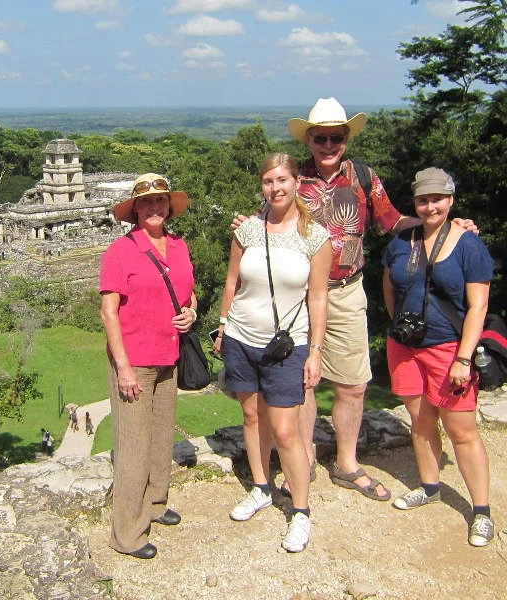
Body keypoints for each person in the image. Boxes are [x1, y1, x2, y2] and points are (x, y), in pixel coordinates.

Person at [233, 98, 476, 501]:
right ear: (309, 140)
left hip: (345, 291)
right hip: (297, 298)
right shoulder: (295, 180)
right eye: (320, 137)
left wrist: (441, 223)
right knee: (301, 384)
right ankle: (304, 457)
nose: (329, 144)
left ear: (346, 138)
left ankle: (346, 461)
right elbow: (268, 221)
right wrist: (244, 223)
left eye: (336, 137)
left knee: (352, 384)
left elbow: (393, 221)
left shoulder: (363, 177)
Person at [214, 153, 331, 552]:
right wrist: (222, 325)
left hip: (287, 344)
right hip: (242, 335)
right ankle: (262, 486)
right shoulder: (247, 229)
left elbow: (318, 297)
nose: (275, 188)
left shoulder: (315, 237)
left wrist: (316, 351)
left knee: (286, 430)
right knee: (251, 415)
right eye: (267, 181)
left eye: (282, 180)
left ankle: (301, 511)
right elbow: (231, 282)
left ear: (298, 182)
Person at [383, 167, 494, 547]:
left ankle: (481, 510)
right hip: (405, 346)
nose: (430, 206)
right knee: (421, 421)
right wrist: (400, 325)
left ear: (450, 201)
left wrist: (463, 358)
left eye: (437, 199)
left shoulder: (468, 244)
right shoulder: (402, 240)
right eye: (423, 199)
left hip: (449, 349)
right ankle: (430, 486)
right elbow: (389, 286)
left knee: (462, 432)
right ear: (414, 202)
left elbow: (478, 307)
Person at [99, 172, 197, 560]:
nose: (154, 207)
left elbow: (189, 296)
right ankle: (126, 533)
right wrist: (122, 368)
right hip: (134, 361)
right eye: (146, 202)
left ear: (169, 207)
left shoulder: (179, 246)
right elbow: (109, 313)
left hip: (168, 356)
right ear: (134, 210)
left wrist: (190, 312)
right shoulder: (120, 251)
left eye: (161, 201)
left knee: (160, 438)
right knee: (134, 446)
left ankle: (155, 503)